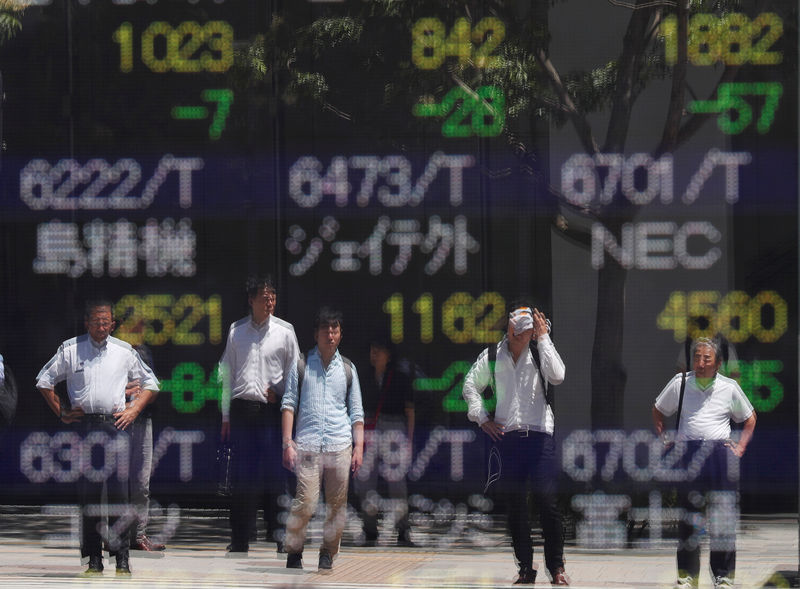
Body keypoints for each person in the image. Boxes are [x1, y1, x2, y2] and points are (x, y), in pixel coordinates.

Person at [36, 300, 159, 576]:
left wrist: (134, 409)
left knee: (119, 497)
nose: (101, 326)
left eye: (106, 322)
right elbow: (44, 380)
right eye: (96, 321)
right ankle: (93, 559)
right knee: (89, 499)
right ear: (86, 323)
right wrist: (62, 412)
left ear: (112, 324)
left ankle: (122, 559)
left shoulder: (124, 351)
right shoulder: (70, 349)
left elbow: (151, 383)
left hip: (115, 427)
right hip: (85, 429)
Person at [462, 303, 568, 586]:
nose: (517, 336)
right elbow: (470, 385)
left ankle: (556, 567)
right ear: (509, 329)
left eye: (524, 332)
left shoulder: (539, 350)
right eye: (515, 331)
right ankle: (525, 567)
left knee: (547, 501)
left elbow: (558, 375)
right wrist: (482, 417)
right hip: (508, 437)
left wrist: (544, 338)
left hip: (540, 435)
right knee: (515, 506)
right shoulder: (494, 355)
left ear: (531, 333)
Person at [653, 337, 756, 589]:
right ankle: (687, 575)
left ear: (718, 364)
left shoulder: (729, 387)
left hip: (720, 454)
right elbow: (657, 410)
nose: (700, 363)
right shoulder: (680, 383)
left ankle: (723, 575)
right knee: (689, 518)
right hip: (689, 454)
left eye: (706, 359)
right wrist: (666, 438)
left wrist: (740, 447)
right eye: (697, 357)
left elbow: (750, 418)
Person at [218, 275, 299, 554]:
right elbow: (225, 373)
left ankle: (281, 538)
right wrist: (226, 416)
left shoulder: (285, 331)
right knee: (242, 479)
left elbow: (296, 375)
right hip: (242, 411)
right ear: (251, 300)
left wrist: (281, 393)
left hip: (271, 413)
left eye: (272, 297)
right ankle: (240, 539)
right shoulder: (235, 330)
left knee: (276, 478)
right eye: (264, 297)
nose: (269, 301)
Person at [281, 307, 364, 572]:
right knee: (305, 502)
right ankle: (294, 551)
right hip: (307, 445)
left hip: (340, 444)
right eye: (325, 329)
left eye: (335, 329)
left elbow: (357, 413)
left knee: (337, 505)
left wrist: (359, 447)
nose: (330, 334)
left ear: (340, 334)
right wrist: (287, 442)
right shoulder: (302, 363)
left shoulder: (349, 369)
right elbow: (289, 403)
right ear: (316, 333)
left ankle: (327, 553)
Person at [353, 336, 415, 546]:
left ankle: (403, 530)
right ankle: (370, 528)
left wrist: (409, 439)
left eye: (379, 350)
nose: (375, 354)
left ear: (388, 354)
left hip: (393, 428)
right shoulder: (363, 375)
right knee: (364, 481)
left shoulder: (399, 376)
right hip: (369, 427)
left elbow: (410, 411)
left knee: (397, 483)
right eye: (372, 350)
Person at [126, 344, 165, 552]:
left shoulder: (144, 353)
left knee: (141, 483)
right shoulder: (114, 354)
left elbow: (155, 389)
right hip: (118, 421)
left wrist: (143, 394)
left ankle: (138, 535)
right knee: (115, 484)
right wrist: (125, 391)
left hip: (143, 421)